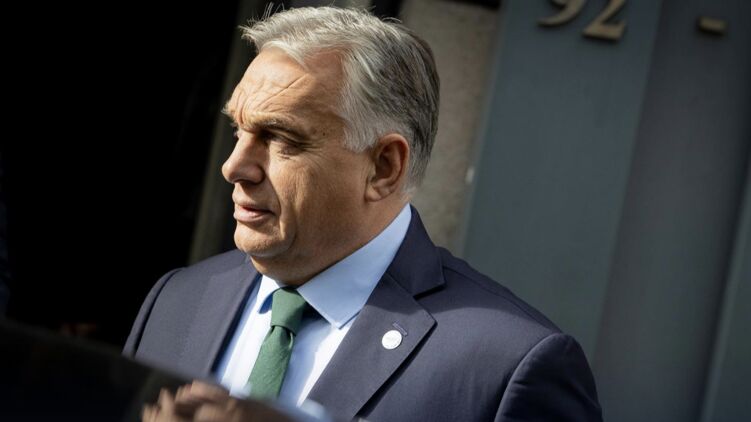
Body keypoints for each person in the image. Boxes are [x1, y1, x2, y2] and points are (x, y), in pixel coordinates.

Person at [126, 6, 602, 421]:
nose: (234, 167)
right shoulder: (178, 298)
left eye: (281, 138)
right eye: (239, 131)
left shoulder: (509, 364)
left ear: (383, 167)